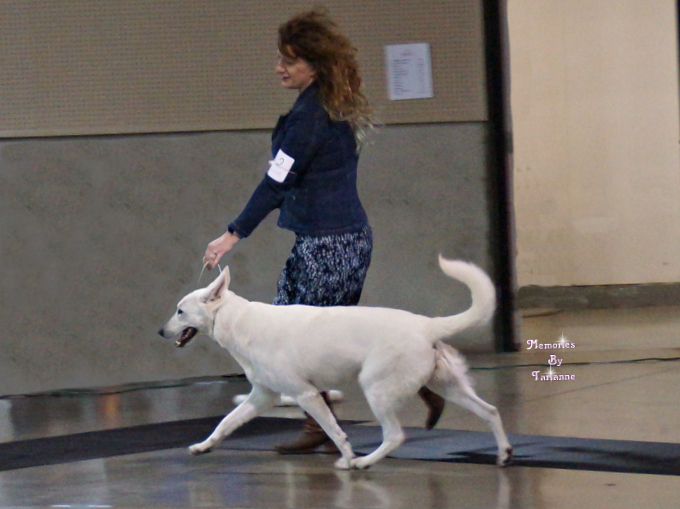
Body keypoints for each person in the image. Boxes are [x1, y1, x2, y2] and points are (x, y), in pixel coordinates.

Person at [203, 9, 444, 454]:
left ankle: (328, 430)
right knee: (305, 337)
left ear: (313, 66)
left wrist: (232, 234)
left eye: (289, 62)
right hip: (335, 239)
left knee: (297, 345)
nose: (279, 68)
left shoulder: (309, 118)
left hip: (330, 245)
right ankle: (417, 389)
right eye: (280, 59)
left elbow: (277, 182)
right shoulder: (325, 108)